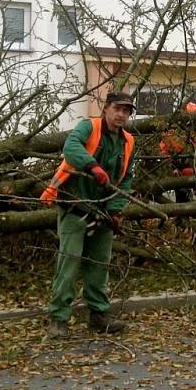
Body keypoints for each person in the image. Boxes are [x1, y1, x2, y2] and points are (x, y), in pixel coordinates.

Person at [40, 91, 137, 338]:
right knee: (69, 262)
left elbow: (125, 179)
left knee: (99, 265)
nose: (121, 114)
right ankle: (58, 318)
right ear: (106, 108)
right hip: (75, 205)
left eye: (126, 111)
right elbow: (70, 148)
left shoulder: (128, 142)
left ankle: (99, 315)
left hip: (103, 210)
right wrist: (92, 166)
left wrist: (115, 211)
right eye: (117, 108)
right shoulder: (88, 127)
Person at [159, 101, 196, 202]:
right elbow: (164, 153)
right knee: (182, 200)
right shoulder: (171, 131)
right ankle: (183, 216)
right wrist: (172, 168)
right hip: (180, 171)